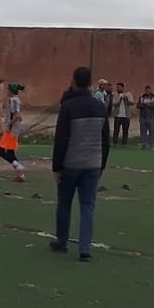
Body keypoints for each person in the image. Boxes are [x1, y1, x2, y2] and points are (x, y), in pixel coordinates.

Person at [50, 66, 111, 261]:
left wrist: (56, 166)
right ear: (91, 83)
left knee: (64, 204)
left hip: (70, 163)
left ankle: (62, 242)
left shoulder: (68, 107)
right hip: (93, 164)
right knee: (88, 207)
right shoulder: (100, 107)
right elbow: (106, 141)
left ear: (74, 82)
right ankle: (85, 249)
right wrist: (102, 164)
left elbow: (61, 140)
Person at [0, 82, 26, 182]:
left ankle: (19, 167)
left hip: (11, 130)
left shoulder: (13, 100)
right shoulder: (16, 100)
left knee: (1, 151)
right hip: (14, 129)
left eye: (8, 89)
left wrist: (9, 125)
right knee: (10, 152)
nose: (7, 91)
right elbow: (18, 116)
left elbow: (17, 115)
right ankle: (20, 175)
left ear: (11, 90)